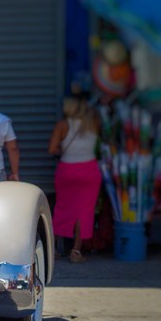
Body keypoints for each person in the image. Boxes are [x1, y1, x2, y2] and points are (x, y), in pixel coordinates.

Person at [49, 94, 101, 263]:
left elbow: (52, 149)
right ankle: (76, 251)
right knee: (84, 211)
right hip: (89, 171)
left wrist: (64, 152)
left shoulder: (62, 125)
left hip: (67, 171)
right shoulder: (93, 123)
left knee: (62, 208)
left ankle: (54, 250)